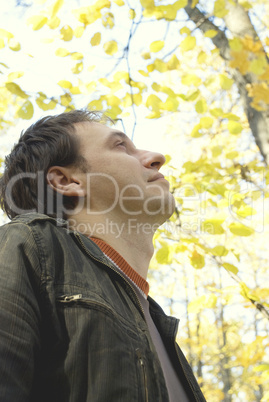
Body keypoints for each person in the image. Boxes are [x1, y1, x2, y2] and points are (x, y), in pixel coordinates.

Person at [0, 109, 206, 402]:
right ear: (66, 181)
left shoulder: (160, 326)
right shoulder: (27, 245)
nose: (156, 156)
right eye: (121, 146)